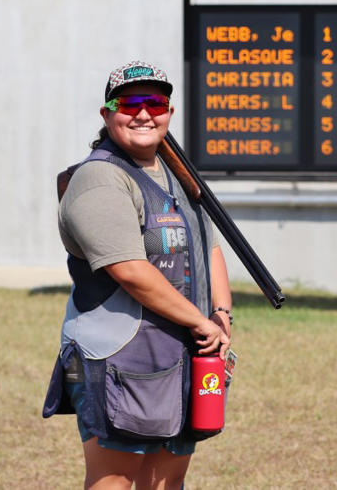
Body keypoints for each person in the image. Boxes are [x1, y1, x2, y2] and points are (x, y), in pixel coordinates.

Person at [43, 60, 232, 489]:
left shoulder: (177, 176)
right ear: (107, 113)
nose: (144, 113)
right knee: (115, 479)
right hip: (119, 354)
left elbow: (211, 246)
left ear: (168, 112)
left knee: (168, 479)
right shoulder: (98, 179)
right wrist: (201, 321)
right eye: (128, 102)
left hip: (183, 349)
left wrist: (222, 316)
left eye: (156, 102)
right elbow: (129, 269)